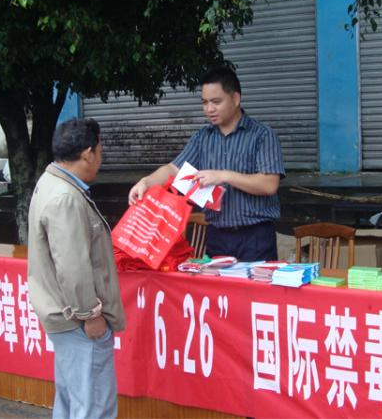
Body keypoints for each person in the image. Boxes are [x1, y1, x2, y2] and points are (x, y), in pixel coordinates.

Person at [128, 67, 285, 261]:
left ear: (236, 99)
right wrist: (146, 182)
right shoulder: (202, 138)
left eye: (216, 102)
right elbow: (173, 169)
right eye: (205, 102)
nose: (209, 109)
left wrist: (223, 175)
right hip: (217, 236)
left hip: (255, 237)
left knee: (256, 283)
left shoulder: (262, 135)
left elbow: (269, 185)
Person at [28, 119, 126, 419]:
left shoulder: (51, 182)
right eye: (100, 151)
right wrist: (90, 315)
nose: (100, 158)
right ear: (87, 154)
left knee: (73, 401)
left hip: (64, 316)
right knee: (93, 406)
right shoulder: (66, 198)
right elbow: (73, 267)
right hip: (79, 322)